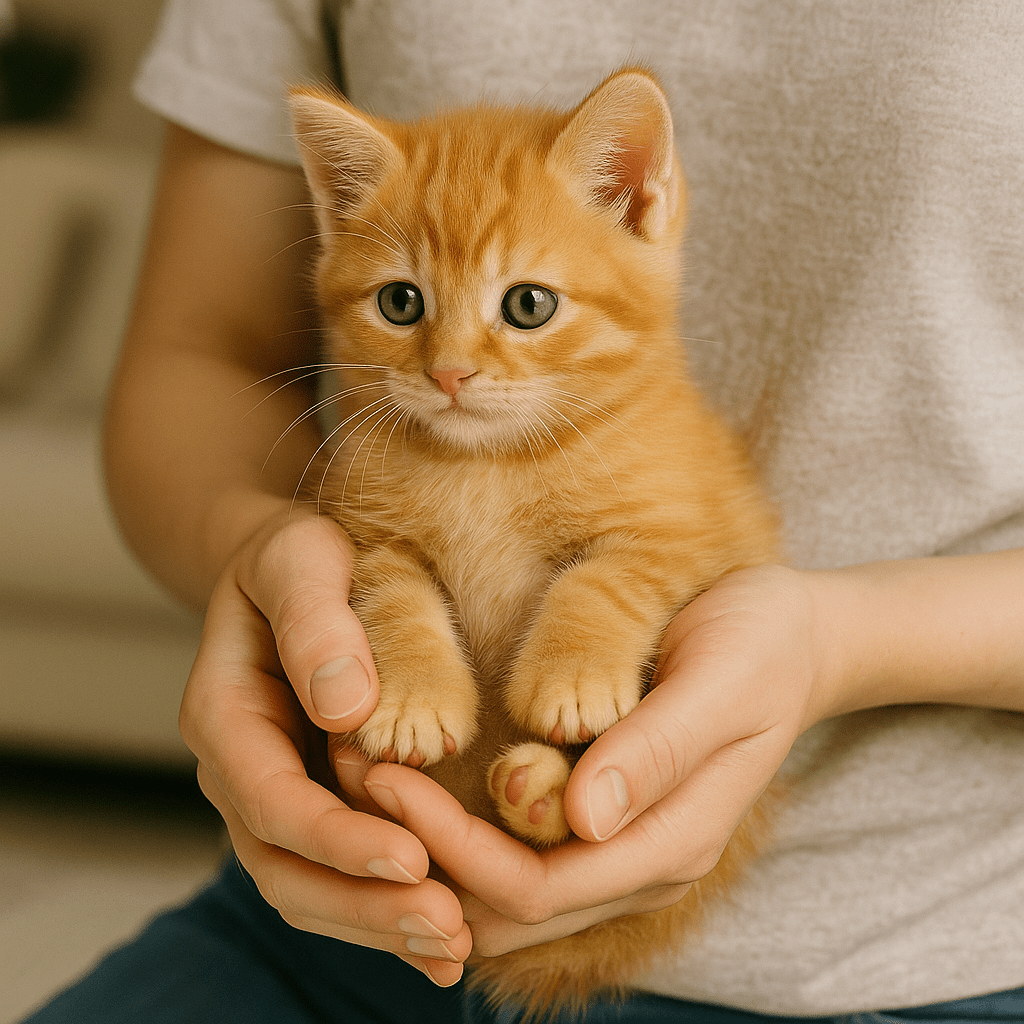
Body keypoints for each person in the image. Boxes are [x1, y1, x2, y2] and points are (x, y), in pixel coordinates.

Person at [22, 1, 1024, 1022]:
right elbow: (205, 356)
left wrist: (836, 643)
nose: (451, 368)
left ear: (636, 200)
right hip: (342, 909)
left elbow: (661, 548)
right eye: (402, 306)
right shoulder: (384, 446)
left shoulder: (635, 441)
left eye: (525, 307)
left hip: (901, 966)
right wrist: (266, 554)